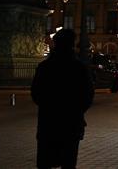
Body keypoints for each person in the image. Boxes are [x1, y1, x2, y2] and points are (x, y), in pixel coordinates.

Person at [31, 29, 94, 169]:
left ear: (55, 44)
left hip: (48, 121)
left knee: (44, 162)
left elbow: (36, 93)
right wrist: (77, 110)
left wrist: (48, 106)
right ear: (72, 44)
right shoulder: (79, 68)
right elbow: (88, 95)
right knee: (68, 162)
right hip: (71, 122)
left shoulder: (45, 67)